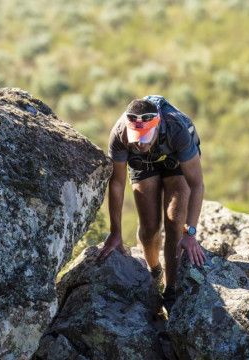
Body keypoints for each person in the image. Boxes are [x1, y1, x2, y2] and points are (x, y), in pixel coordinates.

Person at [96, 95, 206, 314]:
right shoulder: (120, 134)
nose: (141, 142)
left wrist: (190, 233)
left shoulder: (177, 128)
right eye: (136, 136)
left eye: (146, 136)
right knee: (149, 229)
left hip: (176, 160)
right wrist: (115, 232)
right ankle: (155, 272)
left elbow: (197, 184)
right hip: (143, 164)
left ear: (157, 126)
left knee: (175, 222)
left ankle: (171, 288)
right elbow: (117, 184)